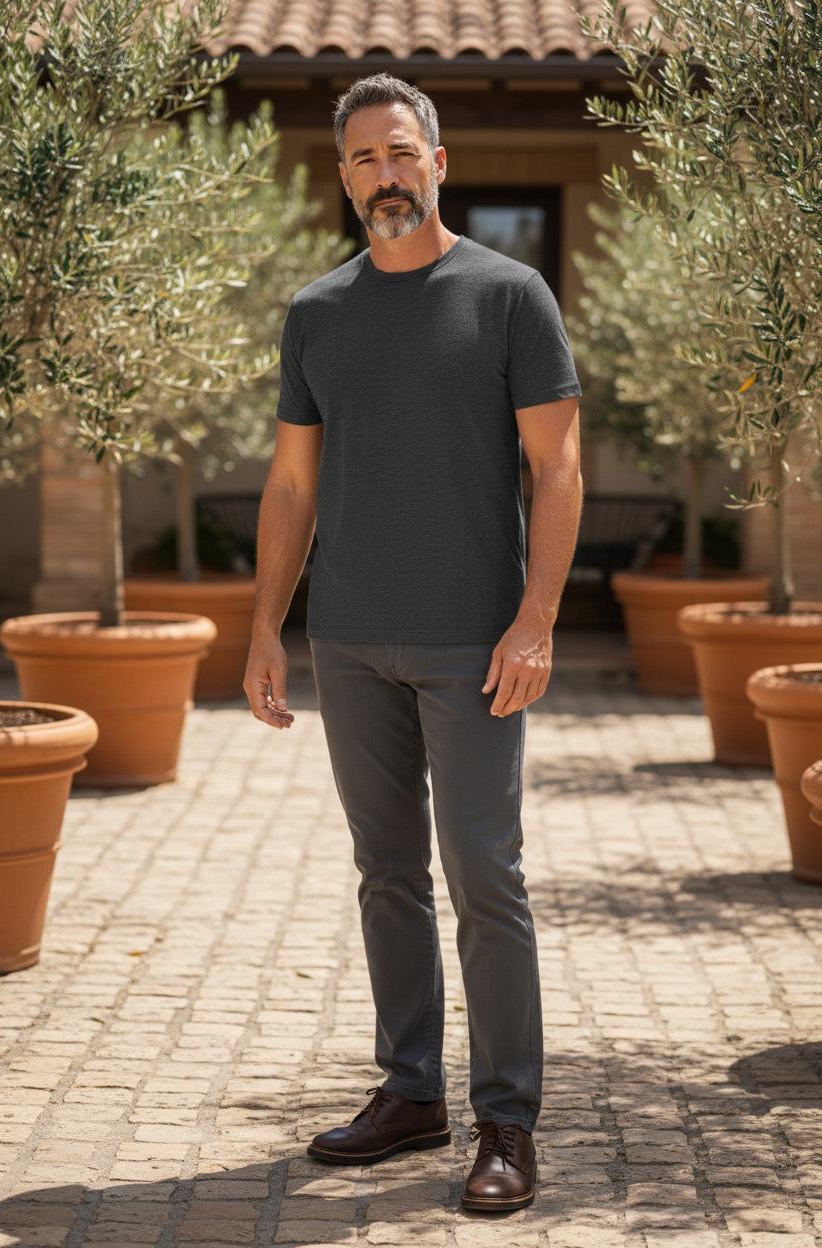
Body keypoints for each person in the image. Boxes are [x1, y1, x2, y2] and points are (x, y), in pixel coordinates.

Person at [243, 72, 582, 1213]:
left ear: (438, 160)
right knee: (385, 872)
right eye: (361, 160)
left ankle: (507, 1121)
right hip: (349, 639)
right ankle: (410, 1092)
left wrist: (535, 619)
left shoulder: (509, 296)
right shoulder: (317, 314)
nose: (383, 175)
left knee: (486, 875)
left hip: (473, 644)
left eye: (400, 153)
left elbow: (559, 468)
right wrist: (264, 630)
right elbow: (291, 485)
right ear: (341, 177)